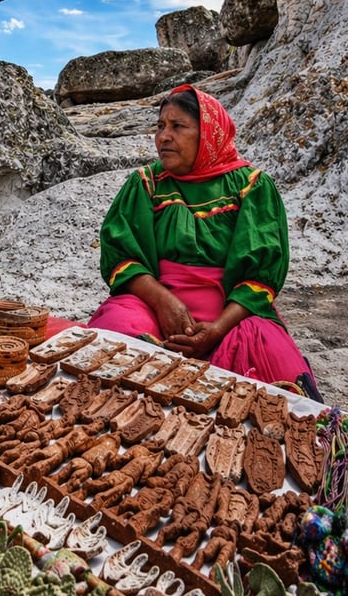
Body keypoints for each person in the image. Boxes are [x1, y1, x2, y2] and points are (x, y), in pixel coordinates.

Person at [88, 84, 321, 396]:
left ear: (208, 133)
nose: (163, 137)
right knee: (115, 336)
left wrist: (216, 330)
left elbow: (260, 274)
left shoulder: (252, 186)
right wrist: (162, 301)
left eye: (177, 126)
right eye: (160, 126)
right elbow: (121, 256)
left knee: (269, 361)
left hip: (230, 315)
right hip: (153, 306)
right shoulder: (146, 184)